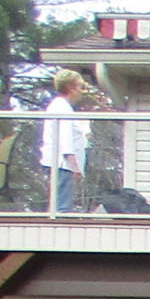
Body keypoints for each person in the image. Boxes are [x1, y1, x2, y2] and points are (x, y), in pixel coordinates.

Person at [38, 69, 93, 213]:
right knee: (61, 208)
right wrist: (74, 165)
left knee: (60, 204)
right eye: (80, 87)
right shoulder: (61, 107)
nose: (82, 92)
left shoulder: (63, 106)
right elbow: (64, 138)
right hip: (62, 165)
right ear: (71, 88)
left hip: (63, 164)